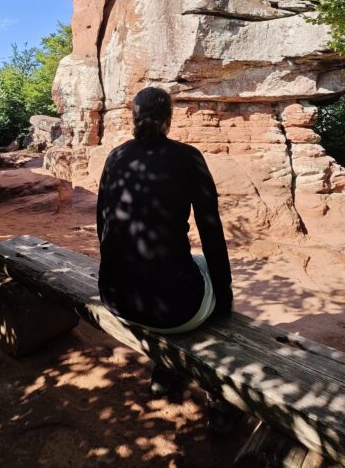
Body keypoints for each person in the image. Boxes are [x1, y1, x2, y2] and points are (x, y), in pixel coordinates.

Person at [95, 86, 238, 431]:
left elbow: (102, 226)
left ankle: (164, 371)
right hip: (175, 310)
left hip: (115, 297)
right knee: (207, 276)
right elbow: (211, 231)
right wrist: (225, 294)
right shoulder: (188, 157)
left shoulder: (115, 157)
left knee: (171, 273)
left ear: (134, 117)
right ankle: (218, 395)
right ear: (169, 119)